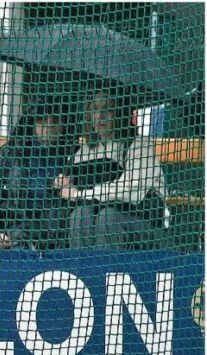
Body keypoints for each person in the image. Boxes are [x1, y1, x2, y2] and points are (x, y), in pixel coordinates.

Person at [56, 89, 166, 249]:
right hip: (96, 227)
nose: (100, 116)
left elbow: (132, 191)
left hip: (143, 229)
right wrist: (62, 184)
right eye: (95, 109)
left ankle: (108, 271)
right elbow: (69, 190)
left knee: (107, 217)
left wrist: (80, 194)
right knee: (80, 216)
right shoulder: (83, 151)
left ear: (119, 112)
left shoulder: (139, 145)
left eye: (107, 109)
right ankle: (84, 270)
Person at [0, 97, 78, 250]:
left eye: (55, 120)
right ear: (31, 121)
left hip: (57, 244)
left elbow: (65, 211)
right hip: (12, 241)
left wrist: (16, 235)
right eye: (42, 119)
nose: (49, 126)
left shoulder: (75, 155)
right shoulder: (12, 152)